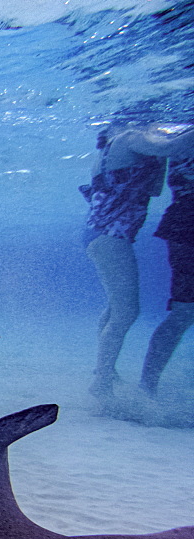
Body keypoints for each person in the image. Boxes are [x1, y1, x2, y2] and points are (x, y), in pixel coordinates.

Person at [81, 121, 194, 398]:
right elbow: (174, 147)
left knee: (114, 309)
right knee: (125, 313)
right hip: (111, 235)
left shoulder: (112, 150)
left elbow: (154, 187)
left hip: (100, 233)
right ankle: (102, 383)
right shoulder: (130, 137)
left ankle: (104, 372)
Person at [140, 155, 194, 396]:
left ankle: (147, 387)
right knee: (184, 312)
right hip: (186, 222)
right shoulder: (184, 139)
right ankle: (147, 387)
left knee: (183, 313)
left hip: (184, 220)